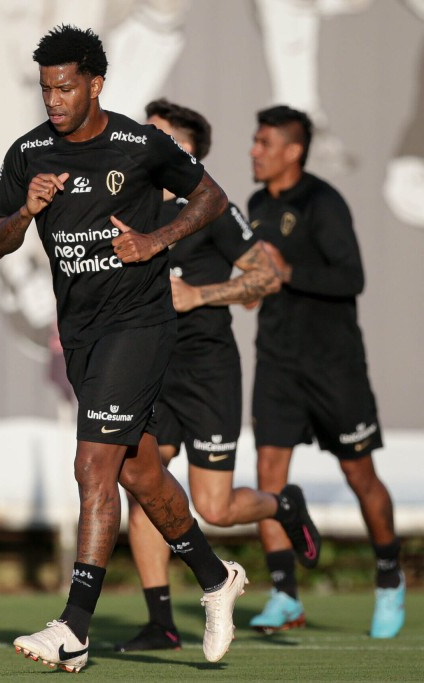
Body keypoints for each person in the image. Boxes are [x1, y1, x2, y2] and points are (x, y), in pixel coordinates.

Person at [0, 25, 247, 672]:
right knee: (137, 470)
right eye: (46, 88)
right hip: (83, 334)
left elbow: (212, 196)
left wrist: (158, 241)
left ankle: (74, 624)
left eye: (66, 87)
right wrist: (24, 213)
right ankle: (217, 578)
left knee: (93, 465)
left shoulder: (138, 142)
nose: (54, 99)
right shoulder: (29, 151)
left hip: (140, 324)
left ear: (96, 83)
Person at [114, 100, 321, 652]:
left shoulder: (209, 205)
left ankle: (283, 504)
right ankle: (161, 622)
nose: (138, 139)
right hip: (150, 367)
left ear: (182, 150)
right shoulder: (126, 204)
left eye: (152, 134)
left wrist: (199, 296)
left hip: (206, 369)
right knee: (141, 480)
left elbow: (267, 277)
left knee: (215, 508)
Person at [247, 105, 404, 639]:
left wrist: (288, 271)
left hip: (333, 365)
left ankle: (389, 581)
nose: (254, 150)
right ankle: (284, 595)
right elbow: (258, 276)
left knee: (359, 474)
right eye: (255, 141)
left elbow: (352, 277)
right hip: (276, 362)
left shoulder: (323, 202)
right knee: (270, 476)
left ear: (293, 150)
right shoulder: (254, 204)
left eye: (264, 142)